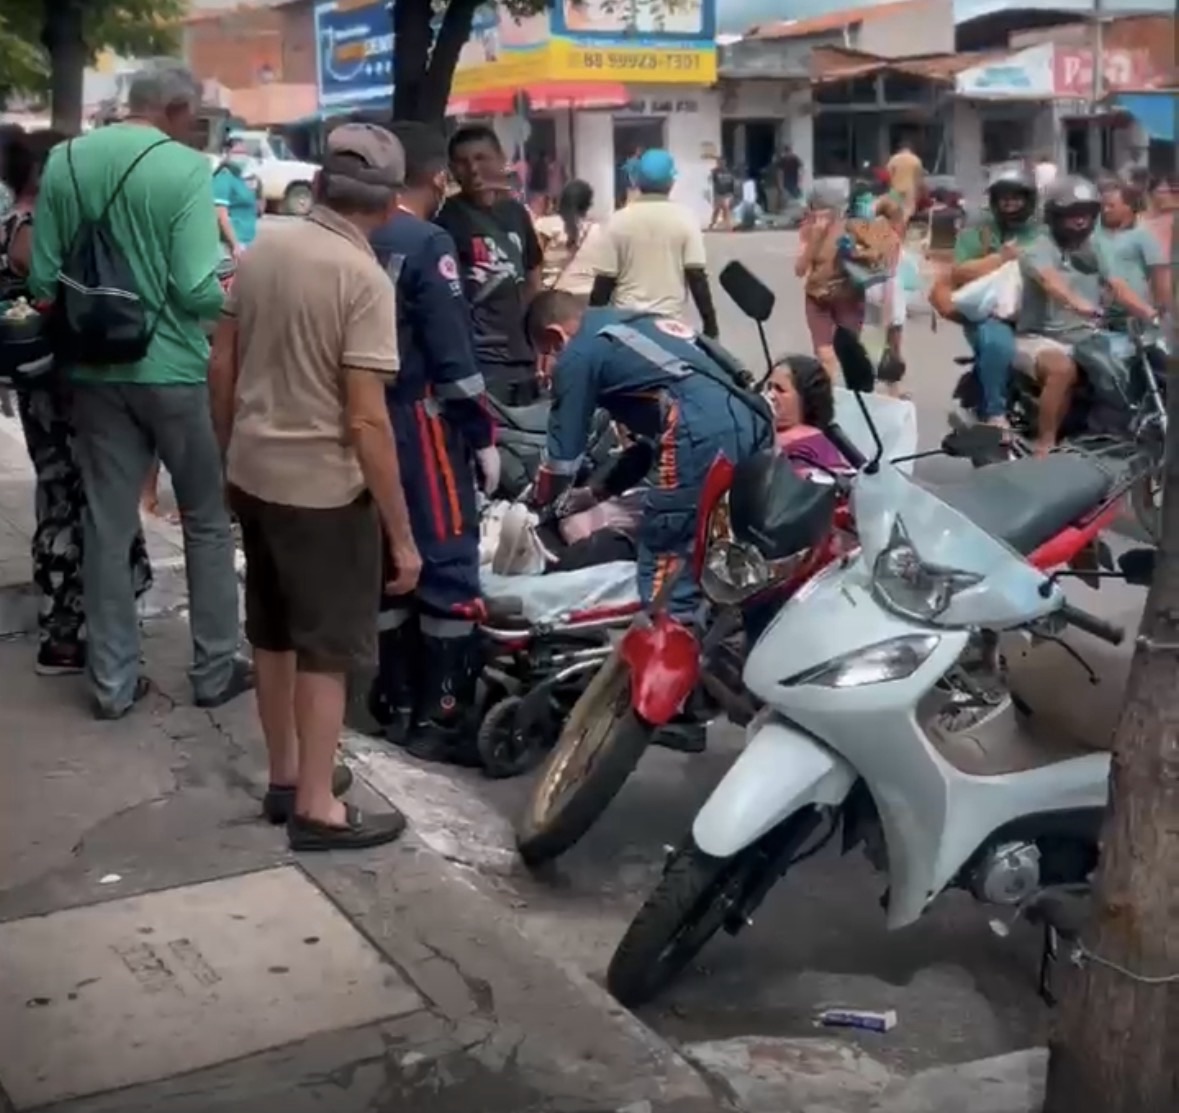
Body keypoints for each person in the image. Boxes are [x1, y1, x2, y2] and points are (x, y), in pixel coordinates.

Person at [208, 122, 418, 850]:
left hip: (254, 473)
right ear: (390, 206)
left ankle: (285, 775)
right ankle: (317, 809)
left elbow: (220, 364)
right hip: (323, 493)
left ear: (321, 185)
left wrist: (229, 448)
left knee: (271, 631)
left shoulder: (264, 247)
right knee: (327, 648)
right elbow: (366, 419)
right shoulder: (363, 280)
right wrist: (400, 533)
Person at [29, 59, 249, 720]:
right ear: (177, 110)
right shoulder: (183, 169)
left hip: (93, 371)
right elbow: (191, 288)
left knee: (106, 520)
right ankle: (213, 667)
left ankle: (112, 683)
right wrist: (234, 295)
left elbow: (42, 281)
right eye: (197, 115)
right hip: (175, 368)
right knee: (207, 520)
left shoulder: (65, 160)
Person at [366, 121, 498, 767]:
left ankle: (392, 701)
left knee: (388, 563)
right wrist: (481, 433)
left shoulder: (343, 233)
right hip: (418, 423)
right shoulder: (425, 241)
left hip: (354, 422)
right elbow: (453, 357)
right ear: (436, 178)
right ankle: (441, 715)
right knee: (444, 558)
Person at [0, 129, 155, 675]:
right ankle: (72, 634)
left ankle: (82, 627)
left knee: (65, 494)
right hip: (59, 386)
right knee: (75, 497)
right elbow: (54, 292)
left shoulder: (26, 220)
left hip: (46, 385)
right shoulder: (29, 226)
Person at [527, 291, 772, 622]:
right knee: (722, 547)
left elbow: (561, 464)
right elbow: (644, 449)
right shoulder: (634, 325)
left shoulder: (578, 352)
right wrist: (594, 494)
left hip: (700, 429)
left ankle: (669, 641)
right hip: (753, 421)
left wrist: (536, 508)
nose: (542, 373)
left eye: (542, 358)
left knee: (666, 551)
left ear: (555, 338)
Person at [1016, 176, 1159, 454]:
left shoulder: (1094, 247)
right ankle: (1045, 443)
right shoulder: (1038, 247)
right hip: (1040, 337)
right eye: (1072, 215)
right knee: (1062, 370)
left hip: (1085, 335)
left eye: (1085, 215)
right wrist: (1077, 303)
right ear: (1055, 216)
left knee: (1132, 363)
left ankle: (1111, 429)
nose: (1080, 221)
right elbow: (1050, 281)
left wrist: (1152, 314)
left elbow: (1117, 285)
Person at [435, 124, 544, 406]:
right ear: (451, 169)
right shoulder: (446, 219)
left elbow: (533, 271)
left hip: (523, 357)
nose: (473, 169)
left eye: (481, 158)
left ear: (499, 159)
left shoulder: (516, 213)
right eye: (462, 162)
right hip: (480, 362)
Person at [948, 167, 1041, 433]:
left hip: (1038, 311)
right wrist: (1000, 258)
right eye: (1004, 197)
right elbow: (959, 271)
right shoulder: (979, 230)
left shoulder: (1043, 231)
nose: (1010, 202)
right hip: (991, 313)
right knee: (998, 345)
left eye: (1016, 197)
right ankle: (995, 412)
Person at [590, 149, 719, 338]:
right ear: (671, 182)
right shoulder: (686, 219)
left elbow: (604, 283)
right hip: (670, 325)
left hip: (625, 325)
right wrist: (711, 326)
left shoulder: (618, 221)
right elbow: (696, 277)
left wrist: (591, 326)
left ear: (637, 181)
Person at [796, 186, 866, 384]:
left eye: (819, 209)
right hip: (817, 296)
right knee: (825, 355)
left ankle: (858, 396)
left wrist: (853, 251)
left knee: (851, 353)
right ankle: (828, 401)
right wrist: (815, 240)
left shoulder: (852, 228)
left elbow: (870, 261)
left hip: (848, 296)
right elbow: (800, 269)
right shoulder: (808, 230)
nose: (815, 214)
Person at [1094, 177, 1170, 322]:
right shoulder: (1094, 234)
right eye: (1103, 206)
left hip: (1137, 315)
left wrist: (1161, 312)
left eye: (1111, 206)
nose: (1106, 210)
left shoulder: (1143, 234)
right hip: (1103, 315)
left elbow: (1160, 275)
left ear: (1128, 206)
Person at [765, 355, 849, 475]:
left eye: (780, 390)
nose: (770, 395)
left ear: (805, 398)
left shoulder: (811, 447)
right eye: (769, 387)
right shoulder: (766, 432)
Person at [533, 179, 601, 294]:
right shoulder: (596, 230)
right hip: (586, 293)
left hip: (553, 294)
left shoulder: (545, 225)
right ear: (588, 204)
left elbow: (534, 262)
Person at [886, 137, 924, 224]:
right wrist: (919, 192)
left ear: (900, 149)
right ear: (910, 149)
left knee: (895, 212)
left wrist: (890, 187)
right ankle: (902, 231)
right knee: (907, 212)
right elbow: (918, 179)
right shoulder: (916, 160)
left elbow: (888, 176)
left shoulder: (893, 159)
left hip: (895, 190)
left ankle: (894, 232)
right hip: (909, 190)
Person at [709, 158, 735, 230]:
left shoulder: (728, 172)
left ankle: (728, 225)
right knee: (717, 209)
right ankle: (713, 223)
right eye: (719, 163)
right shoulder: (714, 172)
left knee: (725, 208)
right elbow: (712, 182)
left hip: (727, 193)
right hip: (718, 193)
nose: (721, 164)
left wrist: (732, 193)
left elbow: (732, 182)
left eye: (722, 163)